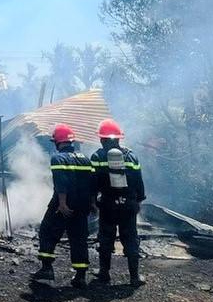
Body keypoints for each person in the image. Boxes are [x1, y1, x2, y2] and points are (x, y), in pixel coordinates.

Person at [32, 123, 95, 288]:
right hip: (82, 206)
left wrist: (61, 203)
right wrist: (93, 203)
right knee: (79, 239)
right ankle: (80, 276)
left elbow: (61, 182)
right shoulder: (86, 160)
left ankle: (47, 269)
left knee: (47, 231)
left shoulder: (58, 158)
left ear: (58, 142)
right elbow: (92, 184)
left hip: (63, 205)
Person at [90, 118, 146, 286]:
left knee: (106, 238)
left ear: (102, 139)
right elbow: (139, 182)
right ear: (119, 138)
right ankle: (134, 277)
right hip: (128, 204)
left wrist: (93, 202)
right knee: (130, 238)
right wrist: (138, 202)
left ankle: (104, 274)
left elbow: (93, 182)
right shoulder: (131, 156)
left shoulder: (97, 156)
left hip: (107, 204)